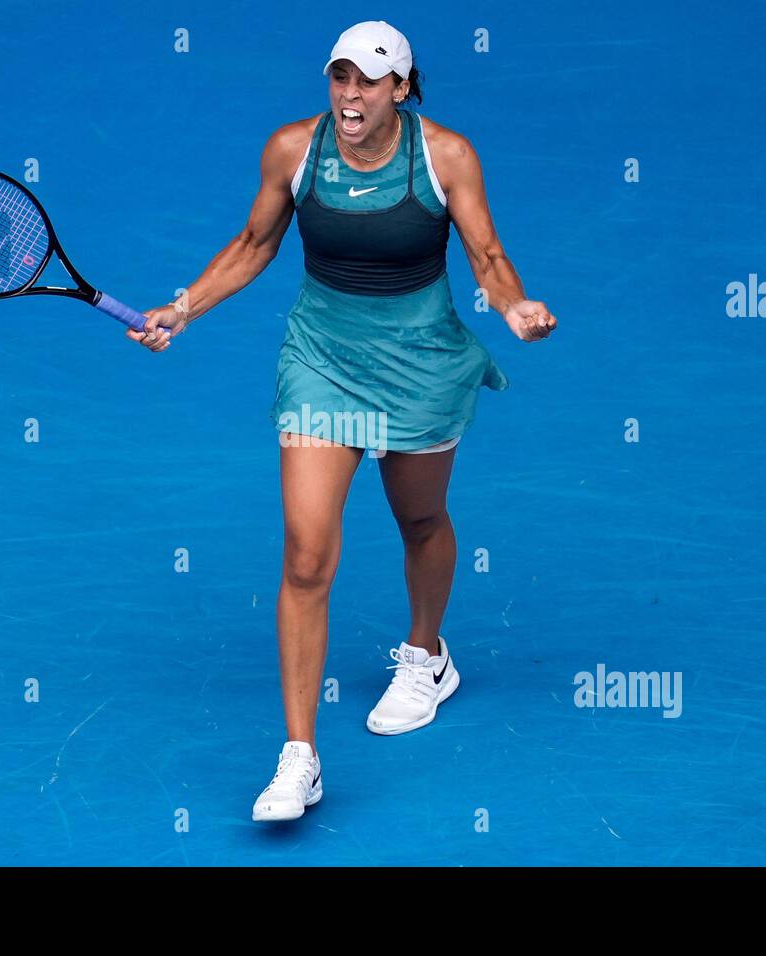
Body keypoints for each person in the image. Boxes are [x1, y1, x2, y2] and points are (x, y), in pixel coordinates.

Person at [128, 21, 556, 822]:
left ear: (401, 88)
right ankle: (299, 757)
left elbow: (487, 258)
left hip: (423, 359)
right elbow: (254, 243)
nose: (350, 96)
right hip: (321, 361)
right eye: (340, 79)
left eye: (368, 81)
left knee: (420, 517)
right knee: (305, 550)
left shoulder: (446, 156)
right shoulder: (295, 149)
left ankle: (427, 655)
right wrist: (181, 310)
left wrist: (515, 307)